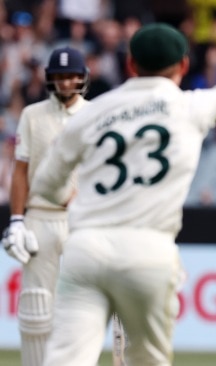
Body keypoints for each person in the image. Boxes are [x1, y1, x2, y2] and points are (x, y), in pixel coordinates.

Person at [30, 23, 216, 366]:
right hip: (148, 252)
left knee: (66, 359)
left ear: (130, 64)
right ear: (184, 66)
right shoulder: (190, 106)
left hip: (86, 248)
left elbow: (46, 186)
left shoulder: (90, 113)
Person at [0, 46, 90, 366]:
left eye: (71, 76)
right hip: (40, 219)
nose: (66, 83)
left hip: (82, 222)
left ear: (82, 78)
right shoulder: (32, 115)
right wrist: (16, 221)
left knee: (79, 310)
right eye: (59, 77)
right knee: (36, 308)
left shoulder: (95, 115)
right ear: (50, 79)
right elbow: (20, 170)